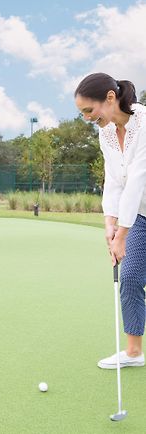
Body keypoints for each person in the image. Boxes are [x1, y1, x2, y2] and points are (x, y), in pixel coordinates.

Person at [75, 72, 146, 369]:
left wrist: (122, 234)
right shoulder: (105, 132)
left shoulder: (143, 121)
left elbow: (138, 179)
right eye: (81, 114)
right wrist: (109, 222)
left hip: (135, 210)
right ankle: (133, 352)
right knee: (128, 277)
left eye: (89, 111)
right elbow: (114, 181)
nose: (88, 118)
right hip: (140, 214)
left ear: (110, 98)